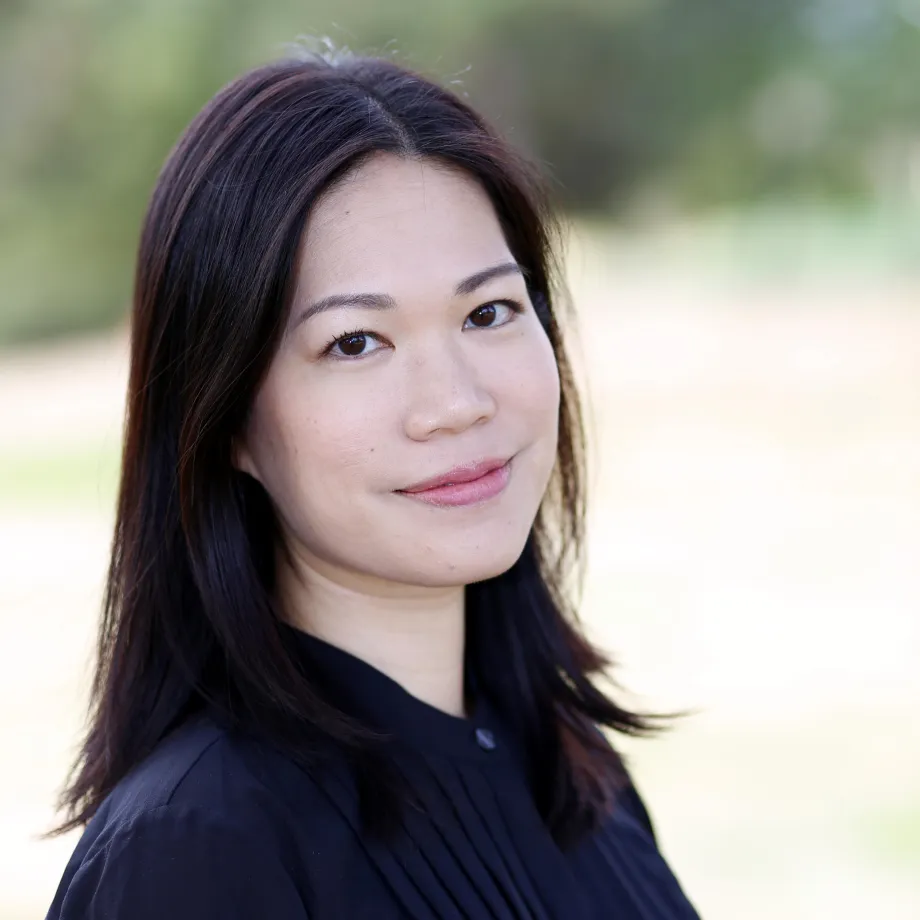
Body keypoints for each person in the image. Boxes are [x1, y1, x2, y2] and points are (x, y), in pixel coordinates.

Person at [44, 47, 701, 919]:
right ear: (224, 418)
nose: (456, 403)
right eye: (356, 342)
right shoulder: (194, 852)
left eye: (489, 312)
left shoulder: (577, 778)